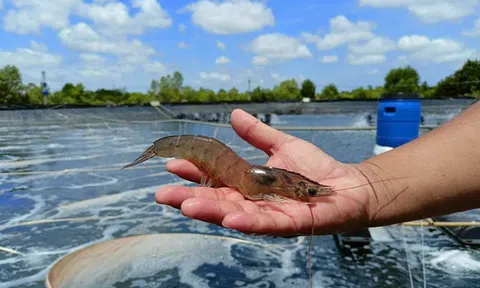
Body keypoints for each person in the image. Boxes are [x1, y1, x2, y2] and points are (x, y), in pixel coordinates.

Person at [155, 101, 480, 237]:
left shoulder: (267, 181)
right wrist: (369, 184)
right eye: (309, 191)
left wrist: (367, 186)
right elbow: (272, 185)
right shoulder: (260, 182)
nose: (311, 195)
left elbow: (276, 184)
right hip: (208, 154)